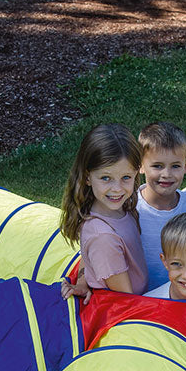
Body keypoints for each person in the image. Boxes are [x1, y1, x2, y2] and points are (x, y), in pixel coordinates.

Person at [58, 124, 148, 296]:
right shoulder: (104, 237)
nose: (117, 188)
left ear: (136, 173)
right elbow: (125, 297)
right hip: (135, 305)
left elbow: (87, 255)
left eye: (126, 178)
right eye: (106, 178)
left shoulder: (116, 209)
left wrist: (83, 279)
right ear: (87, 177)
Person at [136, 122, 186, 292]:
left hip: (183, 296)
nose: (167, 174)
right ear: (140, 165)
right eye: (157, 166)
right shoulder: (129, 207)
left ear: (185, 166)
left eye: (175, 166)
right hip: (141, 299)